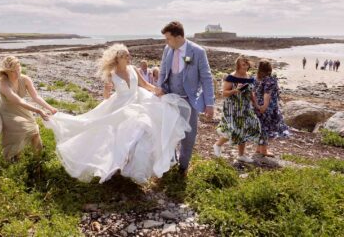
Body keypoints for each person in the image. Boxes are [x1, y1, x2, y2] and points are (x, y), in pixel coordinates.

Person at [44, 44, 191, 184]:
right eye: (126, 55)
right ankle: (116, 166)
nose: (129, 57)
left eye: (129, 55)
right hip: (120, 107)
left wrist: (158, 91)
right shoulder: (112, 74)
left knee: (142, 132)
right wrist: (107, 90)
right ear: (118, 58)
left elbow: (145, 85)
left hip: (138, 103)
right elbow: (107, 96)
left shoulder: (133, 69)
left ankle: (135, 169)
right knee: (114, 137)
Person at [157, 21, 214, 175]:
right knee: (168, 132)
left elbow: (207, 78)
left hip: (189, 100)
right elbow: (163, 71)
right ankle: (170, 161)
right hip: (169, 98)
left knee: (188, 135)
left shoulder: (198, 52)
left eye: (168, 38)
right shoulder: (168, 50)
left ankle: (183, 166)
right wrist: (159, 87)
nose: (166, 42)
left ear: (178, 36)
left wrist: (210, 103)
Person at [0, 56, 56, 161]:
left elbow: (35, 96)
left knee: (35, 132)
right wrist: (39, 111)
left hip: (23, 110)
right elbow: (19, 101)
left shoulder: (25, 79)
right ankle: (13, 159)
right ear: (7, 72)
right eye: (14, 71)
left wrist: (50, 108)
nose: (18, 73)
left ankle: (39, 158)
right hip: (8, 112)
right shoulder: (4, 84)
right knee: (21, 132)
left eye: (19, 69)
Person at [214, 55, 261, 163]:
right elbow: (224, 93)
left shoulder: (249, 77)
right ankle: (217, 145)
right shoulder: (231, 77)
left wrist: (256, 105)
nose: (245, 66)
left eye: (247, 64)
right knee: (233, 129)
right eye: (243, 64)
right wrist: (235, 91)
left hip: (245, 107)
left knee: (248, 127)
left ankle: (241, 155)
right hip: (232, 107)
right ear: (238, 65)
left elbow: (251, 93)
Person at [253, 59, 289, 157]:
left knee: (260, 127)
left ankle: (258, 149)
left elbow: (253, 93)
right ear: (270, 69)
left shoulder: (256, 79)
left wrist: (256, 104)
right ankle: (264, 150)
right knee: (265, 128)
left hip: (256, 106)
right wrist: (264, 106)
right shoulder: (270, 80)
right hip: (267, 106)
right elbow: (267, 94)